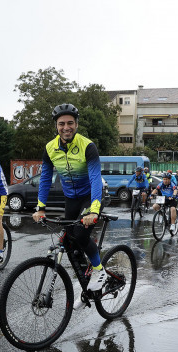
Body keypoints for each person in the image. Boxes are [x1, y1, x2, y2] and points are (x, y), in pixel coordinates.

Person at [32, 103, 108, 292]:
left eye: (70, 123)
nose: (66, 127)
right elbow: (45, 178)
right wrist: (40, 207)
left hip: (90, 196)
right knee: (69, 240)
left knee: (81, 234)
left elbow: (95, 178)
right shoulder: (50, 148)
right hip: (71, 199)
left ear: (76, 124)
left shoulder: (87, 146)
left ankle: (100, 271)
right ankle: (86, 278)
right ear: (56, 126)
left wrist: (94, 210)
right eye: (61, 124)